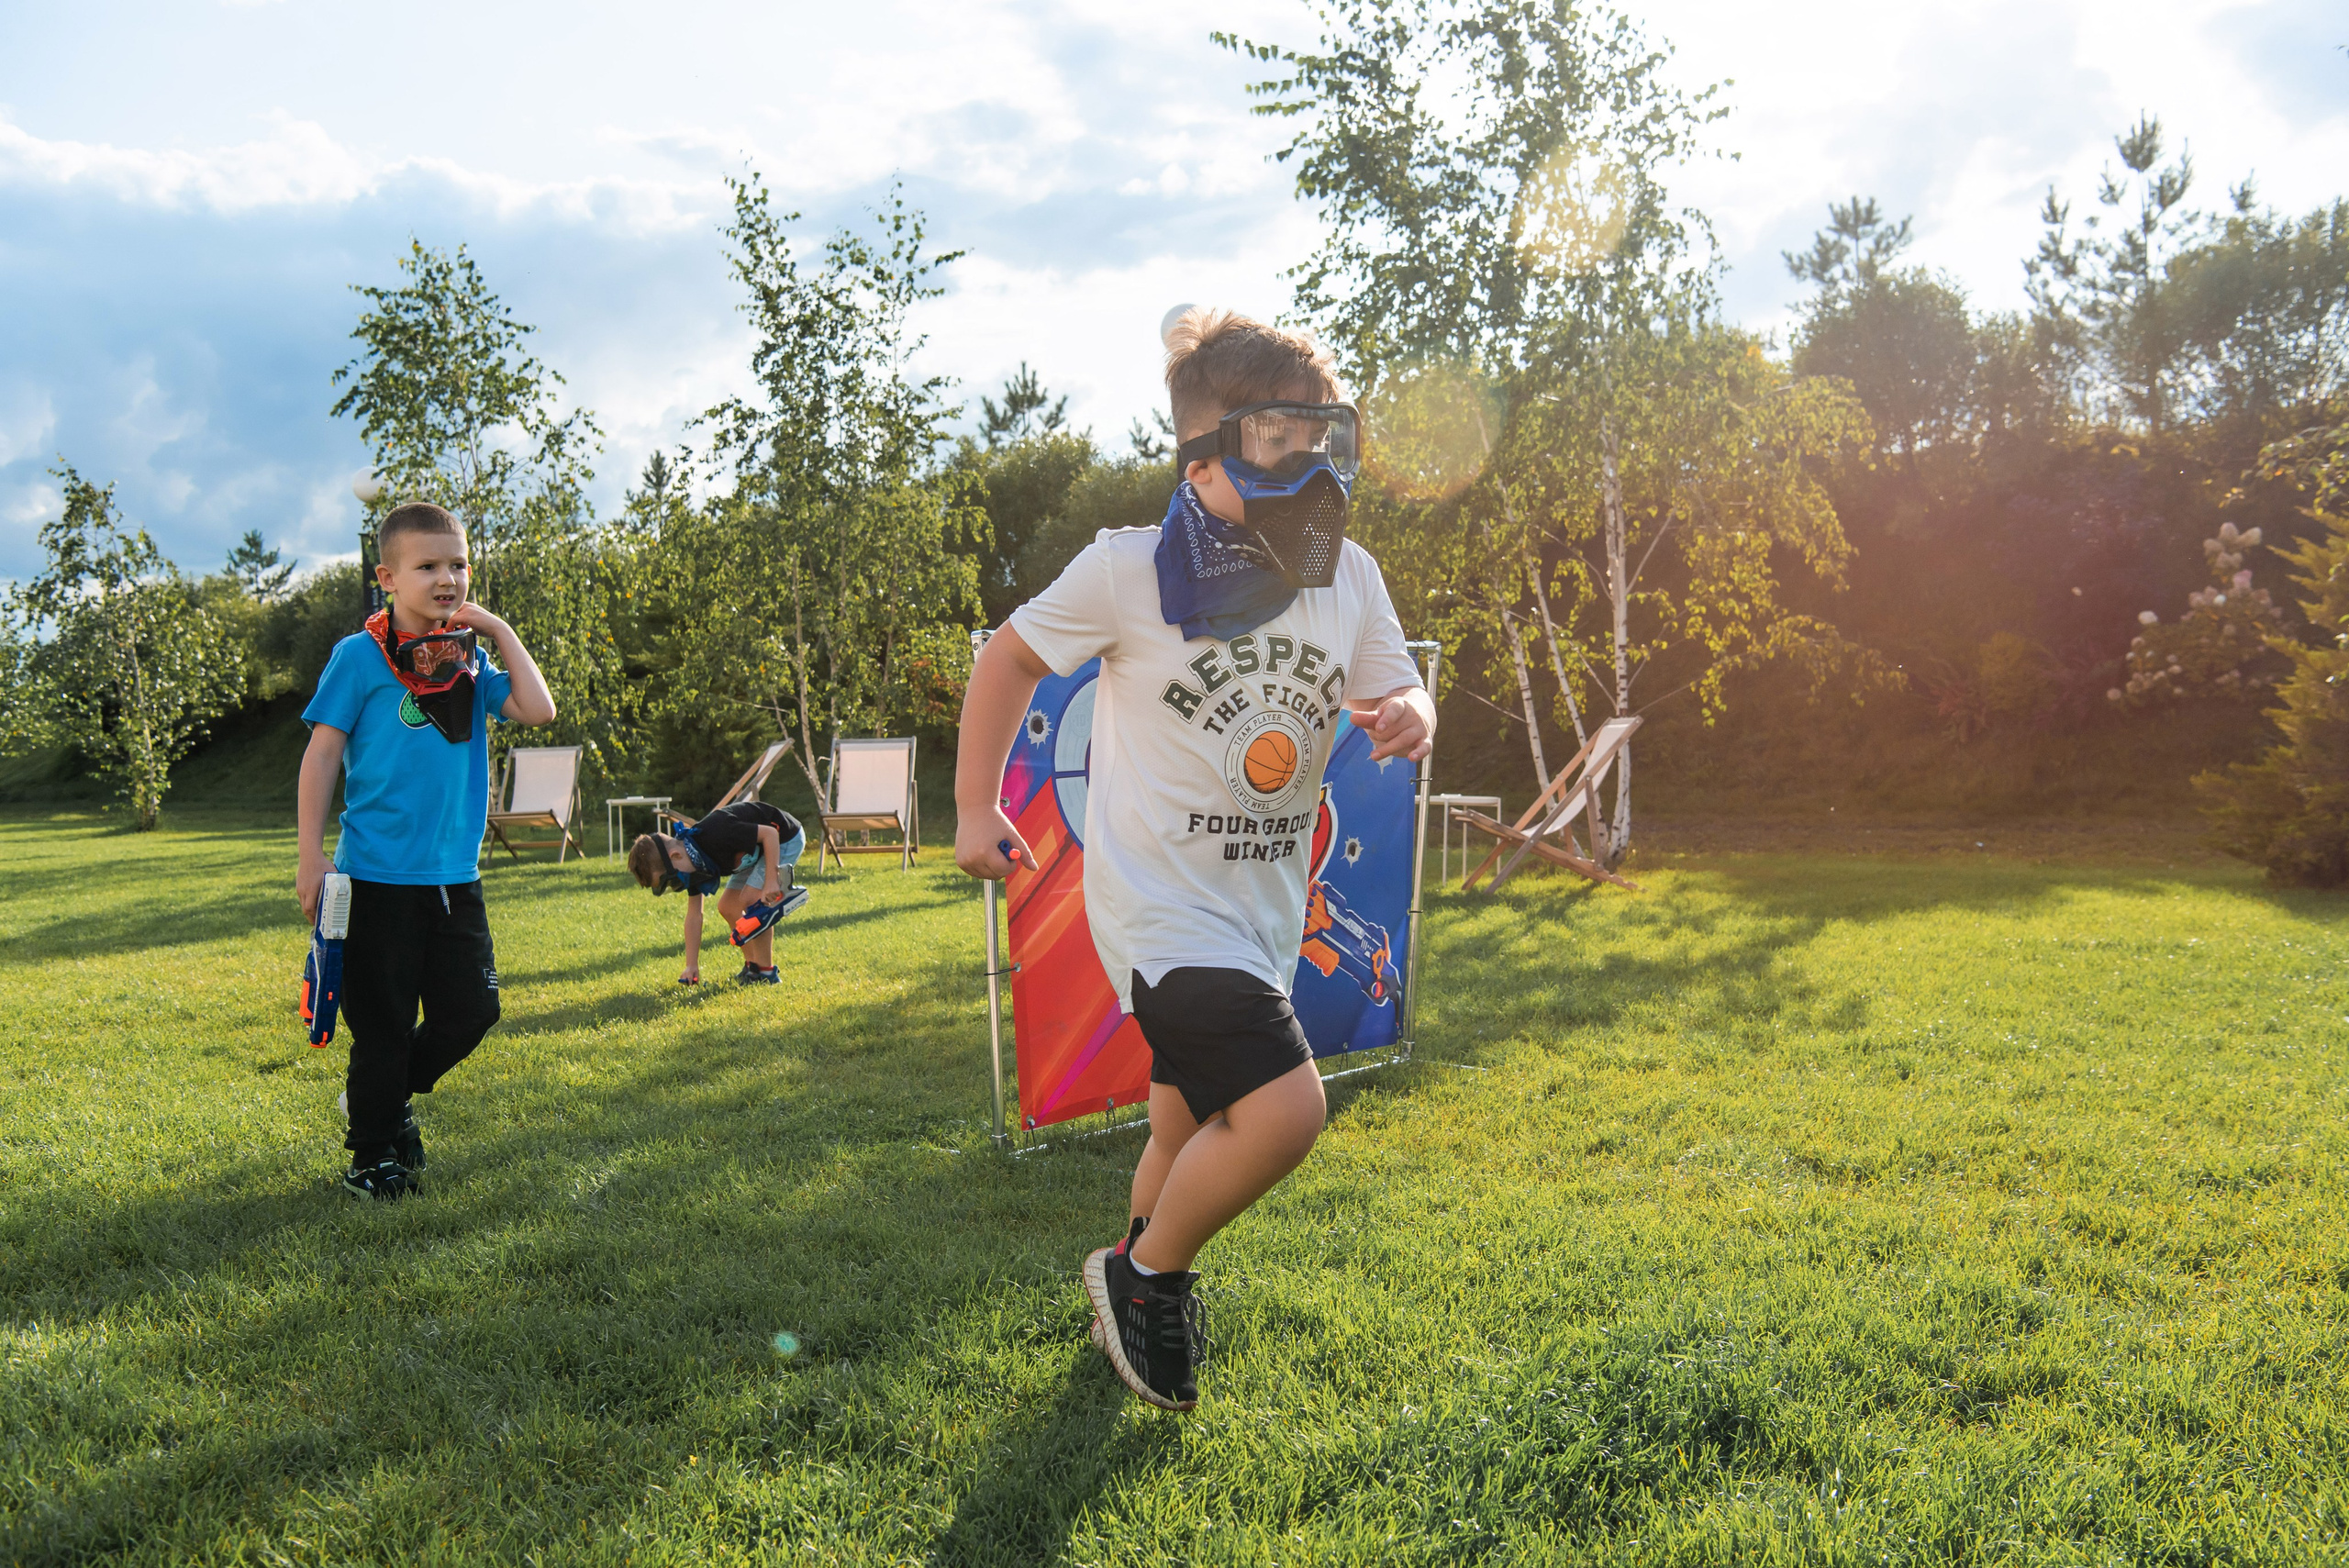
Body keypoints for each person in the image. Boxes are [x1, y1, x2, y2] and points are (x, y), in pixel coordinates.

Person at [953, 307, 1436, 1410]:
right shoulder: (1125, 569)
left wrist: (1412, 709)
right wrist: (974, 804)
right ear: (1202, 462)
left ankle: (1124, 1265)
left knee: (1183, 1122)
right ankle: (1149, 1280)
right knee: (1283, 1110)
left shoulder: (1349, 575)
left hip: (1263, 912)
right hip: (1159, 911)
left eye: (1325, 440)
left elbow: (1397, 681)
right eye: (1277, 442)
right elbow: (1008, 659)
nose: (1311, 469)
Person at [295, 500, 558, 1200]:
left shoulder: (468, 659)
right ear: (387, 577)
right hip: (374, 877)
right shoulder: (358, 657)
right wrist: (310, 855)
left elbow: (538, 710)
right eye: (428, 566)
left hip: (452, 876)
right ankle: (371, 1158)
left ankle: (381, 1100)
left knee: (471, 1012)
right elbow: (321, 756)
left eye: (459, 564)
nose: (448, 578)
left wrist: (500, 630)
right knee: (381, 1026)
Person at [626, 801, 809, 985]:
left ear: (676, 855)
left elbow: (770, 834)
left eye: (671, 880)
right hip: (756, 852)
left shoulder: (717, 832)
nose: (677, 884)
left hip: (785, 838)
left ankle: (766, 974)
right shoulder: (694, 862)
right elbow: (694, 916)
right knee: (728, 906)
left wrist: (771, 881)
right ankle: (753, 967)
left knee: (752, 900)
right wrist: (691, 965)